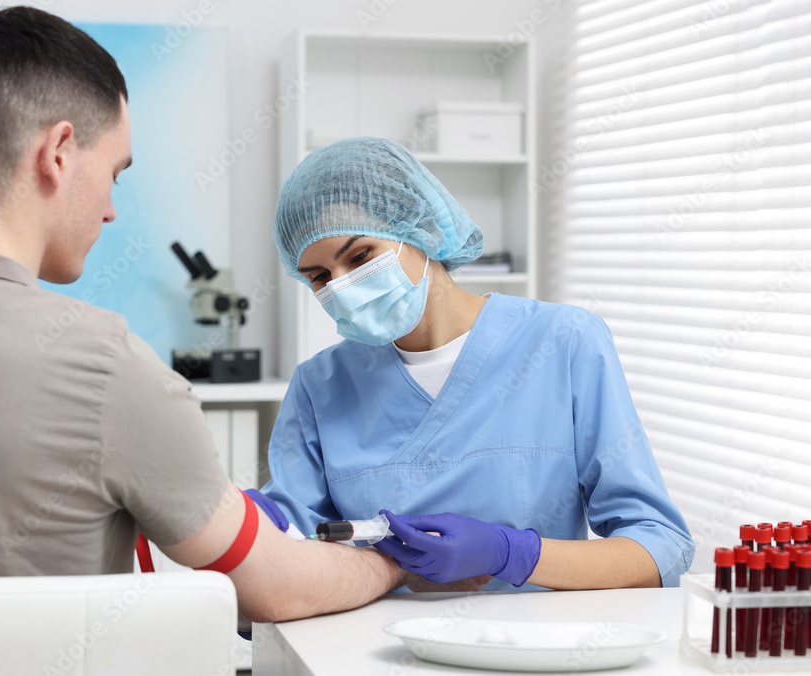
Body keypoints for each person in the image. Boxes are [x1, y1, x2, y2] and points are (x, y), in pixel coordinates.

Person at [0, 7, 408, 624]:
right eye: (115, 173)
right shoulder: (106, 369)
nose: (111, 210)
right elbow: (275, 588)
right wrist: (394, 563)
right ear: (59, 152)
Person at [258, 136, 695, 592]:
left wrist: (512, 553)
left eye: (361, 256)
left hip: (530, 651)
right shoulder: (321, 385)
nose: (342, 287)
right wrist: (251, 534)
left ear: (421, 229)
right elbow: (283, 559)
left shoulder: (565, 343)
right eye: (320, 277)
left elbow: (659, 546)